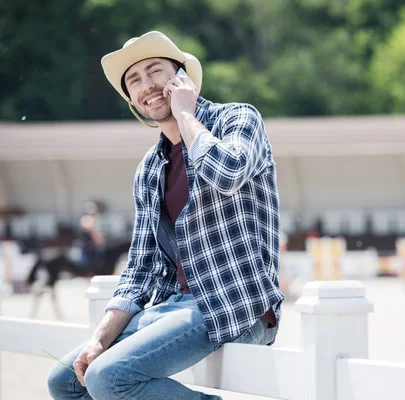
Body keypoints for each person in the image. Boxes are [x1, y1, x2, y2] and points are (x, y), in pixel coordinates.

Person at [48, 31, 284, 400]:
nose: (146, 86)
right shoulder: (149, 169)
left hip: (235, 303)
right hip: (175, 307)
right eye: (134, 81)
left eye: (154, 71)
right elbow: (141, 269)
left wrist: (185, 113)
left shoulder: (238, 119)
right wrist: (98, 340)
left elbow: (227, 173)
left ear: (181, 76)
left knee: (109, 378)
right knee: (65, 380)